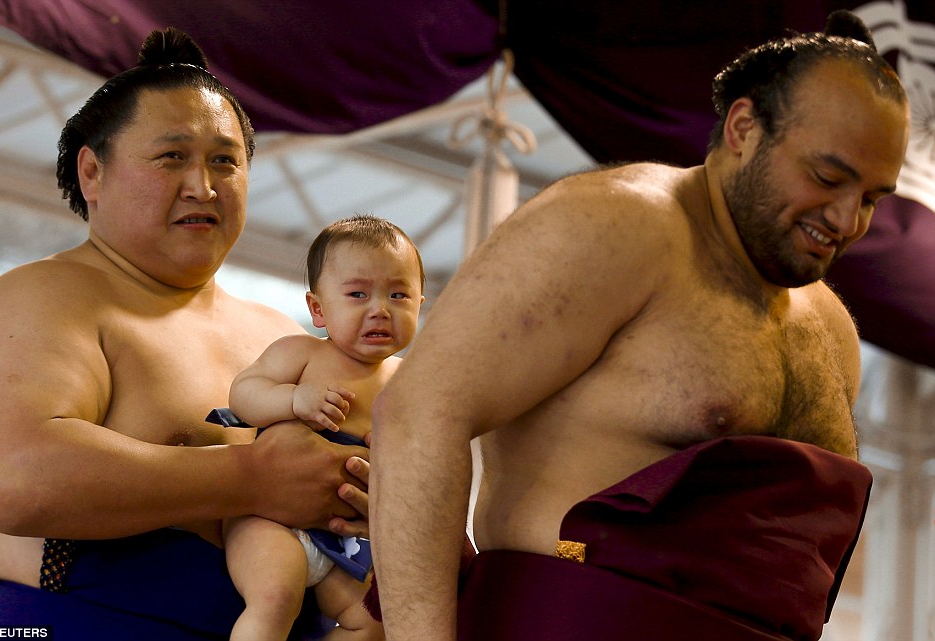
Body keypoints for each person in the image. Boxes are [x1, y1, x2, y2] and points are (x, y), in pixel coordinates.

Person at [369, 10, 909, 641]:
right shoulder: (616, 226)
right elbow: (418, 415)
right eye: (827, 177)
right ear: (744, 128)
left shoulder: (832, 327)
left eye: (871, 198)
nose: (846, 220)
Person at [0, 28, 370, 640]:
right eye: (172, 157)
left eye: (225, 161)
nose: (202, 185)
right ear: (92, 173)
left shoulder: (278, 334)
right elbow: (18, 481)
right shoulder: (43, 294)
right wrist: (255, 476)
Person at [220, 215, 424, 641]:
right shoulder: (301, 353)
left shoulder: (411, 382)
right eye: (358, 294)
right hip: (271, 520)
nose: (380, 309)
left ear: (420, 304)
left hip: (345, 535)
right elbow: (244, 393)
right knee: (276, 596)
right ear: (318, 308)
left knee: (373, 621)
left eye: (398, 294)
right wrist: (292, 399)